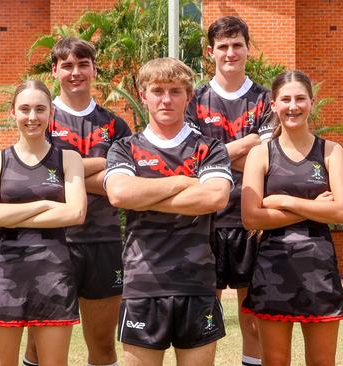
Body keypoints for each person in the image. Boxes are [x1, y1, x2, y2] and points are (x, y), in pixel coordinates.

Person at [104, 57, 233, 366]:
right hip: (143, 283)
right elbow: (120, 193)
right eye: (157, 90)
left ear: (189, 96)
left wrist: (145, 194)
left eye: (175, 91)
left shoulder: (210, 147)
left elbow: (215, 197)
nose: (166, 99)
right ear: (143, 94)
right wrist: (182, 181)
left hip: (197, 282)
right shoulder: (125, 147)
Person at [22, 36, 132, 366]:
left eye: (83, 65)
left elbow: (122, 184)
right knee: (39, 347)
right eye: (67, 66)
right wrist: (103, 163)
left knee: (103, 346)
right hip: (50, 241)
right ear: (54, 70)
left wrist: (65, 169)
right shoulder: (40, 118)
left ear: (94, 69)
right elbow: (36, 176)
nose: (75, 72)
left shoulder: (116, 125)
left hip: (103, 242)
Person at [241, 70, 343, 366]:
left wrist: (284, 201)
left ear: (312, 103)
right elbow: (251, 217)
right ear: (273, 104)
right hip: (272, 270)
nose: (293, 106)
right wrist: (315, 208)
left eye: (300, 98)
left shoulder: (331, 152)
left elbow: (342, 212)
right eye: (286, 99)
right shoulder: (261, 154)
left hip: (319, 270)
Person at [0, 80, 87, 366]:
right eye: (24, 109)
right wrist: (45, 204)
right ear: (12, 112)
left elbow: (75, 214)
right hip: (4, 272)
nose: (32, 117)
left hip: (53, 272)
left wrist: (10, 212)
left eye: (40, 109)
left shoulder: (69, 159)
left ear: (51, 113)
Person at [184, 16, 270, 366]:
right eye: (223, 46)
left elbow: (267, 160)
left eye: (237, 45)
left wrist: (214, 153)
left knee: (254, 320)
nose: (230, 52)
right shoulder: (194, 100)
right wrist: (248, 144)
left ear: (249, 49)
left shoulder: (267, 99)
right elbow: (190, 160)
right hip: (205, 221)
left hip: (253, 221)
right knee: (206, 318)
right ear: (210, 52)